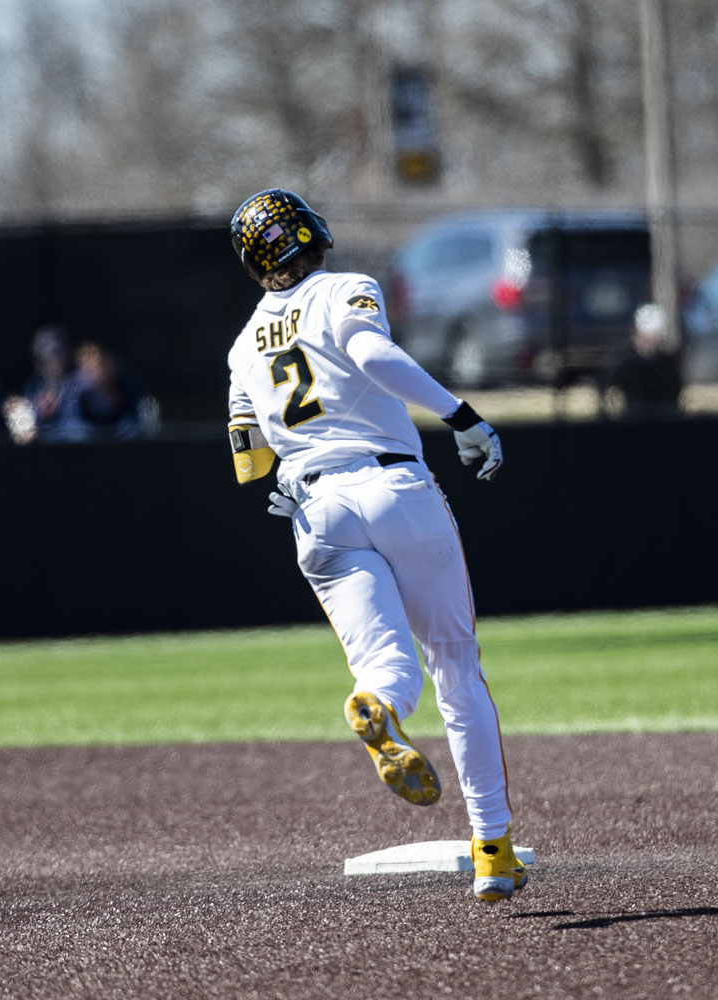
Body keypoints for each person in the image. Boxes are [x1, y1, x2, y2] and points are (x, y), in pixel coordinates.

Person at [225, 188, 526, 903]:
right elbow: (371, 354)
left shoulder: (241, 346)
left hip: (315, 511)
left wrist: (295, 460)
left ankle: (380, 709)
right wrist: (462, 415)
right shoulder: (345, 289)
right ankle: (493, 849)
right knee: (456, 667)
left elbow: (247, 461)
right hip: (393, 487)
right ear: (311, 233)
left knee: (386, 669)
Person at [597, 303, 683, 420]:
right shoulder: (620, 360)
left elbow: (673, 402)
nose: (649, 342)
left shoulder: (667, 366)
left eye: (654, 337)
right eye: (645, 336)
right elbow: (604, 392)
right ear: (635, 332)